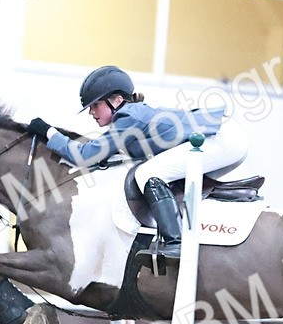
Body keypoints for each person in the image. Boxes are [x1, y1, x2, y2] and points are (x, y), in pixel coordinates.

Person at [29, 65, 248, 264]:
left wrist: (49, 132)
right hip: (221, 136)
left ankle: (175, 243)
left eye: (95, 105)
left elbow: (86, 155)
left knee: (148, 174)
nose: (91, 112)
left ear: (115, 100)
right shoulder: (130, 116)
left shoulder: (128, 117)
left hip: (222, 138)